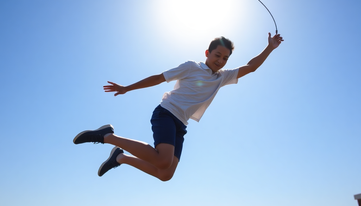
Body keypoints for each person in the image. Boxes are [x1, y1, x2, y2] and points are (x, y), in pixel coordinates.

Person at [73, 32, 284, 181]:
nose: (221, 61)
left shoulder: (223, 77)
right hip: (166, 113)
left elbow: (251, 67)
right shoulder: (191, 67)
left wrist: (270, 47)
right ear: (207, 53)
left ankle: (120, 157)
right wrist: (127, 88)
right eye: (217, 55)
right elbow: (158, 78)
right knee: (163, 161)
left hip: (181, 124)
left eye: (225, 58)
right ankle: (106, 136)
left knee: (165, 174)